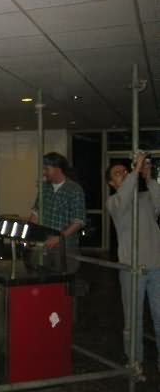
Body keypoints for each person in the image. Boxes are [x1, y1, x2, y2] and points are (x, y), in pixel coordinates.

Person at [106, 152, 160, 376]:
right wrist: (135, 171)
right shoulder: (114, 202)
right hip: (131, 268)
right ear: (112, 184)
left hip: (156, 267)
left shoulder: (146, 198)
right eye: (117, 174)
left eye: (125, 171)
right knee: (133, 319)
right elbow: (126, 193)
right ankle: (134, 361)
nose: (124, 174)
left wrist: (148, 177)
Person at [29, 152, 86, 272]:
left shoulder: (74, 190)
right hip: (43, 244)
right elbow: (36, 213)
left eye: (47, 169)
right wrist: (30, 234)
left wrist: (58, 238)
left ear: (58, 169)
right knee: (39, 276)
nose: (44, 172)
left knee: (63, 278)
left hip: (65, 247)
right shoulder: (44, 188)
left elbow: (78, 221)